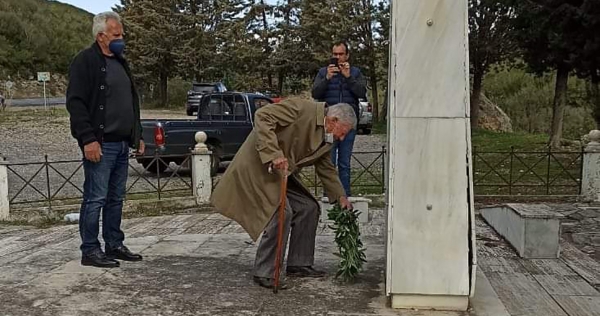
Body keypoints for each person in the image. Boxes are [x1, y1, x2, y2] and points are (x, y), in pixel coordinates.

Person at [211, 98, 356, 289]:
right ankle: (265, 271)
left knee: (309, 207)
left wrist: (340, 196)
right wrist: (273, 153)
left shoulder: (326, 138)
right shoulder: (301, 108)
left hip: (281, 173)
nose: (342, 138)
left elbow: (326, 168)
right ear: (334, 120)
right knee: (281, 212)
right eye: (343, 132)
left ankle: (299, 262)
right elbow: (262, 116)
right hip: (259, 166)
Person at [66, 11, 144, 268]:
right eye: (116, 34)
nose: (122, 38)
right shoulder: (85, 61)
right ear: (101, 36)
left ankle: (114, 243)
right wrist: (88, 139)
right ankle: (90, 249)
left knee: (115, 198)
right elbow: (76, 104)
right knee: (95, 198)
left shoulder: (121, 61)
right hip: (101, 143)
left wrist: (137, 135)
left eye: (122, 34)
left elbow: (130, 102)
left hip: (122, 143)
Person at [312, 41, 367, 197]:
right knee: (329, 162)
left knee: (345, 164)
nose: (337, 57)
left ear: (347, 55)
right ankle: (329, 196)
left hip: (348, 126)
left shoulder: (355, 73)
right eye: (335, 54)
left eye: (340, 54)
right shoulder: (324, 72)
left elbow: (361, 93)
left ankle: (344, 196)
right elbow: (315, 94)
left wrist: (349, 77)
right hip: (329, 125)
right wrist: (327, 78)